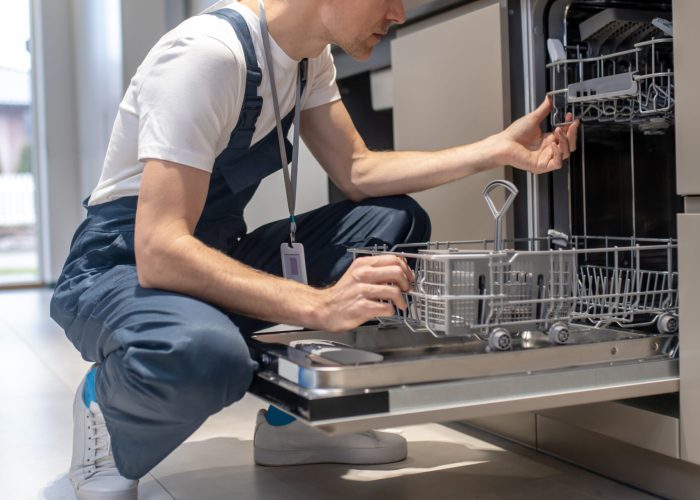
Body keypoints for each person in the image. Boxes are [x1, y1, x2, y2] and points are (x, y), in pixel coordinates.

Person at [50, 0, 580, 498]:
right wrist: (318, 305)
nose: (398, 13)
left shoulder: (307, 59)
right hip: (121, 267)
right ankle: (106, 410)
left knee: (394, 219)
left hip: (212, 252)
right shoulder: (208, 56)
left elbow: (358, 171)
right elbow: (161, 250)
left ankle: (291, 429)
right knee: (206, 356)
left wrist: (497, 150)